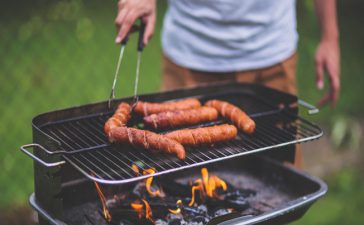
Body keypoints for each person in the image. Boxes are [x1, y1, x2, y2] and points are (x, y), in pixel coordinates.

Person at [114, 0, 340, 167]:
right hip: (189, 55)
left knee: (279, 180)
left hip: (271, 55)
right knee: (176, 177)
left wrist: (330, 36)